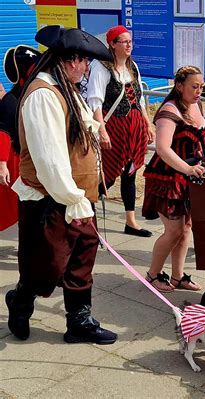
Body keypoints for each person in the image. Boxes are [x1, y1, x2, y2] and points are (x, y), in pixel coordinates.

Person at [6, 25, 117, 344]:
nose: (86, 68)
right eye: (83, 61)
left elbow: (82, 123)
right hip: (48, 199)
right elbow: (49, 159)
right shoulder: (43, 94)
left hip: (77, 196)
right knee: (45, 267)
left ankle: (79, 321)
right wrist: (74, 199)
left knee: (82, 259)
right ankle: (21, 301)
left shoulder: (66, 87)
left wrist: (95, 126)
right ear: (67, 60)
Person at [142, 66, 205, 292]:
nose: (199, 91)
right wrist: (187, 170)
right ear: (179, 86)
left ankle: (178, 276)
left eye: (201, 86)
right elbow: (162, 149)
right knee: (173, 230)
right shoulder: (169, 110)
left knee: (186, 227)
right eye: (194, 87)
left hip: (188, 174)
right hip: (166, 177)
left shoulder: (196, 104)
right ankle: (152, 275)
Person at [87, 25, 154, 238]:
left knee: (130, 173)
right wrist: (102, 130)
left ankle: (130, 221)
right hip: (113, 126)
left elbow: (140, 98)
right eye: (124, 41)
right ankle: (85, 215)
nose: (129, 45)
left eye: (130, 41)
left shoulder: (132, 66)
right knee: (107, 176)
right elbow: (95, 101)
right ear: (112, 44)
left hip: (134, 127)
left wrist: (147, 123)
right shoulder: (101, 67)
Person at [0, 45, 41, 232]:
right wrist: (2, 165)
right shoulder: (12, 101)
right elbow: (3, 133)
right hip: (14, 162)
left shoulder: (32, 95)